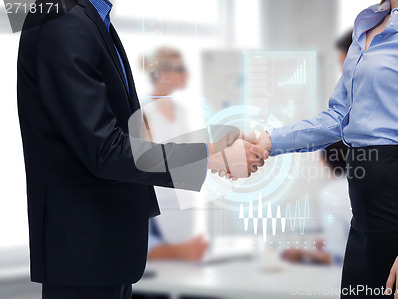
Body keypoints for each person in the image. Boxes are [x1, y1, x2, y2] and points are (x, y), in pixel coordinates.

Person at [17, 1, 267, 298]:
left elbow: (124, 140)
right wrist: (213, 159)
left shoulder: (93, 19)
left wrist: (212, 148)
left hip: (105, 249)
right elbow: (106, 151)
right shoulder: (62, 21)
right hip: (84, 252)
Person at [237, 0, 398, 297]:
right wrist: (270, 140)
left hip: (397, 198)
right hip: (363, 205)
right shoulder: (368, 23)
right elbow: (337, 117)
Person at [142, 47, 208, 261]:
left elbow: (191, 156)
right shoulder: (142, 111)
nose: (186, 74)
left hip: (182, 203)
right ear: (161, 73)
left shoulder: (183, 112)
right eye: (180, 69)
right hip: (155, 204)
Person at [282, 142, 352, 265]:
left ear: (322, 161)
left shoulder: (331, 193)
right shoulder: (366, 185)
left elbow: (338, 257)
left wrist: (302, 254)